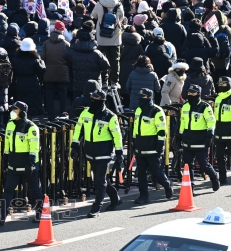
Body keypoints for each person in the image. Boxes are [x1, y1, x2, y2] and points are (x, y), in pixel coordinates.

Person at [71, 88, 123, 217]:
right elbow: (78, 130)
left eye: (96, 99)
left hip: (104, 152)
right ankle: (115, 198)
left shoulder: (110, 116)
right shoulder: (85, 113)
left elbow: (117, 136)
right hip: (90, 150)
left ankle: (96, 207)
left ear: (103, 101)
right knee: (102, 179)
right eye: (92, 99)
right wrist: (74, 146)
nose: (93, 101)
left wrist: (119, 152)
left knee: (99, 181)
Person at [1, 102, 42, 221]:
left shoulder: (31, 127)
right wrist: (5, 156)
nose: (13, 111)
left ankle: (41, 213)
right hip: (14, 164)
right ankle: (2, 215)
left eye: (16, 110)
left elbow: (34, 147)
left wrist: (31, 162)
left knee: (35, 189)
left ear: (23, 112)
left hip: (28, 165)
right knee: (8, 190)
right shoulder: (10, 125)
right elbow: (7, 143)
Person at [132, 88, 173, 204]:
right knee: (141, 173)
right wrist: (134, 141)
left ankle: (167, 184)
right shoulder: (138, 110)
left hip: (152, 147)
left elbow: (161, 130)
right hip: (140, 146)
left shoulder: (157, 111)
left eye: (143, 97)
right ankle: (144, 196)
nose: (141, 99)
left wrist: (160, 145)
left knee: (155, 171)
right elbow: (136, 127)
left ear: (149, 98)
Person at [179, 84, 220, 191]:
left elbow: (211, 121)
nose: (190, 95)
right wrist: (179, 135)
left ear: (198, 94)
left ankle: (214, 177)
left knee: (204, 164)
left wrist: (209, 134)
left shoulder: (205, 106)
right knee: (188, 165)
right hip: (188, 139)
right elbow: (183, 122)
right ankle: (190, 186)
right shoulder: (185, 106)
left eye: (193, 93)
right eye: (189, 93)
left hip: (200, 140)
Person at [91, 0, 125, 89]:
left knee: (102, 59)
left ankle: (104, 81)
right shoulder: (119, 4)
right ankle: (114, 81)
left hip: (102, 36)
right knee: (115, 59)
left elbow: (93, 15)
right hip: (115, 36)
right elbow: (122, 17)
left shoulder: (99, 3)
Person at [41, 21, 71, 119]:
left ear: (54, 29)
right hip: (63, 73)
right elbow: (69, 59)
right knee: (63, 95)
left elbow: (42, 57)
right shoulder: (66, 44)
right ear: (62, 30)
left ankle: (51, 116)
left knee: (49, 95)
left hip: (49, 72)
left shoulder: (46, 43)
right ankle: (63, 114)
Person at [13, 39, 46, 116]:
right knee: (32, 103)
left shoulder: (16, 58)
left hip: (20, 82)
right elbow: (42, 69)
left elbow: (13, 71)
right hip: (33, 82)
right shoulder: (35, 58)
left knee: (21, 103)